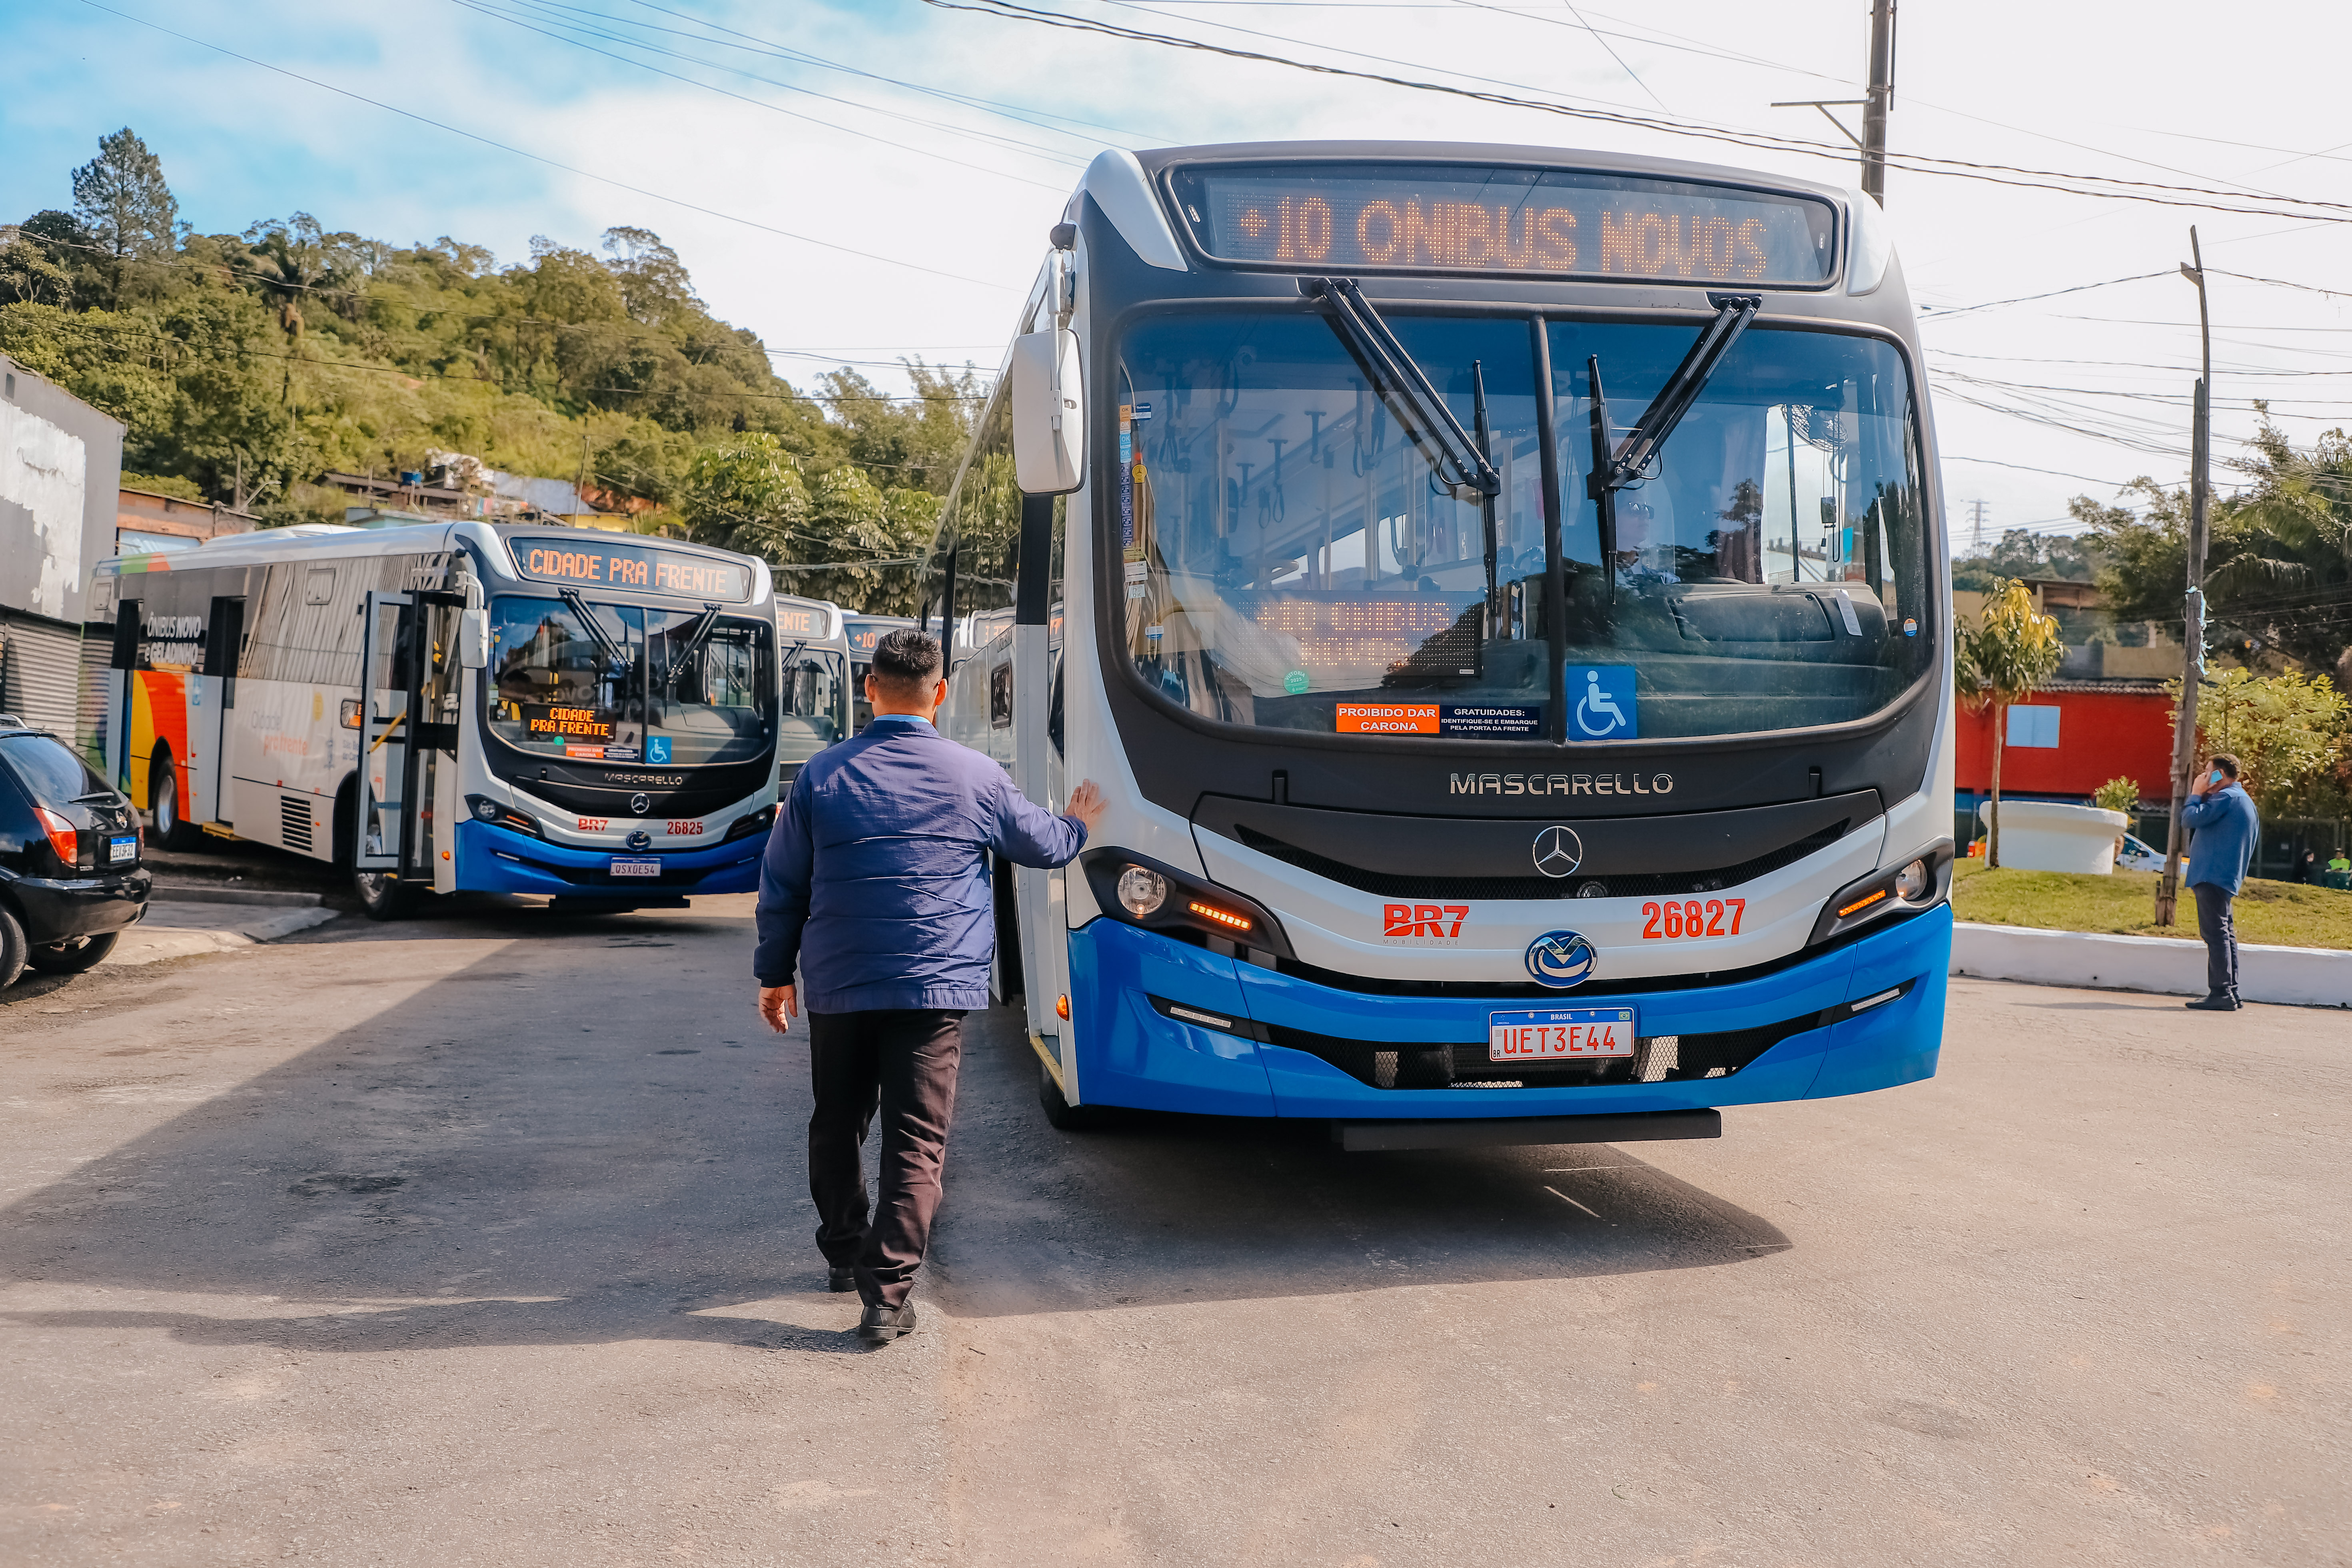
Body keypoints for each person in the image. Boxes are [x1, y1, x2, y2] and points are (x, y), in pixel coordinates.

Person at [752, 628, 1105, 1343]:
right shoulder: (976, 775)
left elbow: (782, 885)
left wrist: (774, 974)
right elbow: (1042, 845)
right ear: (939, 692)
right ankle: (885, 1297)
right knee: (917, 1139)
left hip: (840, 983)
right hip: (934, 987)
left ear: (868, 687)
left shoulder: (821, 776)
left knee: (837, 1121)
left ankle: (844, 1252)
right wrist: (1077, 823)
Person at [2180, 753, 2259, 1011]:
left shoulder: (2226, 798)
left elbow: (2190, 819)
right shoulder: (2241, 799)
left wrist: (2196, 793)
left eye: (2208, 772)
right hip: (2223, 876)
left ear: (2221, 774)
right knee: (2225, 934)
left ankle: (2222, 992)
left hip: (2211, 875)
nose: (2204, 777)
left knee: (2215, 934)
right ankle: (2231, 992)